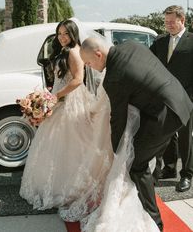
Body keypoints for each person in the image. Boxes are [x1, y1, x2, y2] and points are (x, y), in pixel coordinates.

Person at [80, 37, 193, 231]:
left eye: (89, 63)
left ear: (98, 54)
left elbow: (118, 119)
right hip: (181, 100)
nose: (90, 67)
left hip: (165, 116)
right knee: (149, 153)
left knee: (137, 164)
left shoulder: (113, 77)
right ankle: (150, 185)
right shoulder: (131, 44)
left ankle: (154, 221)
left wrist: (118, 153)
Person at [19, 19, 113, 222]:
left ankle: (70, 186)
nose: (62, 37)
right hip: (60, 99)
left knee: (72, 144)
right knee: (57, 145)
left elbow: (78, 79)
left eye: (66, 34)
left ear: (73, 34)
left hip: (71, 101)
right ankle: (57, 183)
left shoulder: (73, 51)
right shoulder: (64, 51)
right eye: (59, 33)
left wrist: (55, 96)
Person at [150, 5, 193, 192]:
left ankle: (187, 174)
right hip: (164, 96)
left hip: (187, 98)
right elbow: (148, 62)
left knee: (185, 136)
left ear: (182, 20)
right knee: (167, 133)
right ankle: (169, 168)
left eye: (171, 22)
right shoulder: (159, 42)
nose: (167, 25)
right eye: (166, 22)